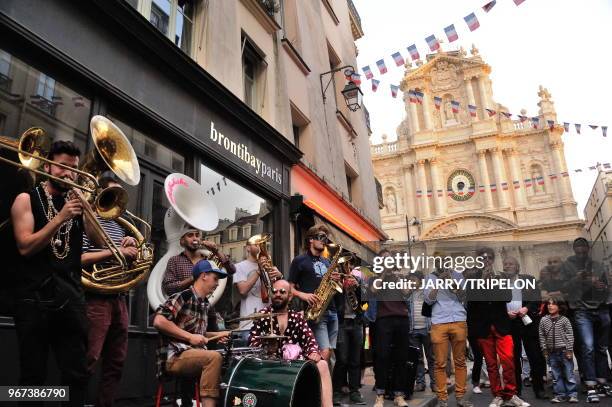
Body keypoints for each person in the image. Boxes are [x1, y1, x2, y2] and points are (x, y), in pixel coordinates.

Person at [11, 140, 97, 406]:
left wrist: (87, 209)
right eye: (62, 167)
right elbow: (25, 247)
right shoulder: (26, 198)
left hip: (70, 298)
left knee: (77, 375)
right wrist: (60, 218)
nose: (68, 174)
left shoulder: (76, 203)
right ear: (48, 164)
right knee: (32, 378)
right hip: (34, 299)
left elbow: (98, 239)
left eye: (73, 168)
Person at [81, 174, 138, 407]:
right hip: (96, 299)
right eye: (111, 194)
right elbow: (81, 258)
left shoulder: (119, 225)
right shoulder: (88, 219)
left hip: (119, 298)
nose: (116, 200)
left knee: (116, 362)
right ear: (99, 194)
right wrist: (116, 252)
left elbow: (126, 264)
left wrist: (131, 250)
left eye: (118, 195)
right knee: (89, 359)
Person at [162, 227, 233, 405]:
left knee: (215, 351)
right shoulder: (176, 262)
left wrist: (215, 250)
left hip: (202, 305)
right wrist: (192, 280)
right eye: (190, 235)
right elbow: (168, 289)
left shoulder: (206, 258)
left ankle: (195, 400)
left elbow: (230, 269)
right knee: (212, 357)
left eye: (197, 235)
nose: (195, 238)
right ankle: (192, 400)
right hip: (185, 306)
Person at [153, 259, 230, 407]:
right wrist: (190, 337)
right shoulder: (183, 296)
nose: (217, 283)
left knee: (224, 361)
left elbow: (198, 335)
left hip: (192, 353)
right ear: (203, 276)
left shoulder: (204, 304)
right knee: (213, 358)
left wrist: (218, 335)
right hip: (174, 357)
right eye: (215, 278)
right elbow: (159, 321)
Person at [249, 279, 333, 407]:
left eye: (282, 292)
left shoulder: (297, 317)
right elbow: (252, 342)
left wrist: (314, 352)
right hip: (269, 363)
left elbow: (309, 340)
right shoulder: (262, 315)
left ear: (290, 296)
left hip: (294, 365)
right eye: (274, 291)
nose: (277, 294)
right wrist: (266, 349)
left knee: (322, 364)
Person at [465, 247, 528, 407]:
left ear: (492, 260)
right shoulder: (471, 279)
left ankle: (511, 394)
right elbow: (471, 304)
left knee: (508, 361)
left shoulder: (501, 276)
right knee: (492, 364)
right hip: (483, 328)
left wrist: (494, 283)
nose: (485, 261)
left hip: (502, 325)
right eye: (482, 258)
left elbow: (507, 297)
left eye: (488, 258)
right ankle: (497, 395)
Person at [560, 237, 611, 401]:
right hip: (582, 310)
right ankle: (590, 385)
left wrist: (601, 285)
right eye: (577, 246)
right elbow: (563, 287)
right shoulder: (567, 265)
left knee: (601, 347)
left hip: (600, 309)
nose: (581, 249)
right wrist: (577, 278)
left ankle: (602, 382)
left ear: (588, 248)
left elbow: (606, 286)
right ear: (574, 249)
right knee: (588, 347)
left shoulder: (597, 265)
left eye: (583, 246)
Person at [424, 255, 472, 407]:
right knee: (440, 363)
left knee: (460, 361)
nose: (443, 264)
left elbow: (464, 297)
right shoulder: (430, 277)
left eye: (445, 261)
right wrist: (438, 282)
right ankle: (442, 399)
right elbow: (428, 300)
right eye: (439, 261)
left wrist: (453, 282)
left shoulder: (458, 275)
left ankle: (460, 397)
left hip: (458, 320)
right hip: (439, 322)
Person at [288, 224, 340, 362]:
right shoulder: (300, 260)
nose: (324, 240)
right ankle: (322, 383)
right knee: (324, 350)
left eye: (326, 238)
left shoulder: (327, 261)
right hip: (316, 312)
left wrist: (336, 280)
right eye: (321, 237)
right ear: (311, 239)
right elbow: (289, 288)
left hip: (332, 311)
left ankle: (326, 382)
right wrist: (303, 295)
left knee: (330, 353)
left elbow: (333, 286)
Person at [370, 251, 412, 407]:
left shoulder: (399, 276)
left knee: (401, 357)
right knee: (382, 356)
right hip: (383, 320)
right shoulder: (375, 278)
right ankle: (380, 395)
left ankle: (398, 395)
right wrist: (383, 274)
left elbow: (407, 293)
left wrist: (399, 277)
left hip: (402, 319)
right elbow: (374, 291)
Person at [502, 256, 547, 399]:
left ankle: (539, 389)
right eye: (505, 264)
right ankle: (516, 391)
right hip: (510, 323)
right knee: (513, 359)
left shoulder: (528, 279)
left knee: (535, 356)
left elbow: (536, 298)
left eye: (510, 264)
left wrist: (526, 308)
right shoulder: (498, 283)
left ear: (517, 267)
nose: (507, 266)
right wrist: (505, 313)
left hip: (527, 322)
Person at [233, 237, 282, 341]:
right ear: (248, 248)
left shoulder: (269, 265)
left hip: (270, 322)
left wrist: (280, 277)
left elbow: (279, 295)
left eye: (262, 243)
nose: (260, 246)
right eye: (256, 244)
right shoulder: (239, 266)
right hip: (249, 324)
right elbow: (242, 291)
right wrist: (258, 271)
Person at [332, 265, 365, 405]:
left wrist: (357, 287)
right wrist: (340, 286)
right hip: (342, 323)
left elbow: (365, 304)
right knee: (342, 360)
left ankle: (355, 392)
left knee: (355, 360)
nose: (348, 269)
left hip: (356, 322)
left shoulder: (358, 280)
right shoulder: (336, 281)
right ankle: (336, 392)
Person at [539, 297, 578, 403]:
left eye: (553, 304)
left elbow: (570, 335)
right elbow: (541, 335)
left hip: (564, 351)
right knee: (556, 375)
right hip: (552, 352)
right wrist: (544, 349)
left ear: (560, 307)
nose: (550, 306)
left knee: (569, 374)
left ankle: (572, 394)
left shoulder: (565, 320)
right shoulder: (544, 320)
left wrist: (569, 350)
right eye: (549, 304)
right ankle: (560, 394)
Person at [408, 270, 435, 393]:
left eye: (414, 279)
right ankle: (420, 383)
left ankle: (434, 383)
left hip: (427, 329)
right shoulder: (409, 294)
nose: (412, 282)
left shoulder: (426, 292)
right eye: (410, 280)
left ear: (420, 280)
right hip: (413, 330)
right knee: (417, 359)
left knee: (431, 357)